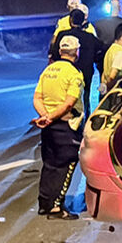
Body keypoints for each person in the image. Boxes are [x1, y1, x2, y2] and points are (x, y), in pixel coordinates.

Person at [33, 36, 85, 220]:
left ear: (60, 51)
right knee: (67, 164)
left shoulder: (47, 71)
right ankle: (56, 207)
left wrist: (45, 117)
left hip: (48, 127)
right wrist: (52, 117)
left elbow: (37, 98)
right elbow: (69, 103)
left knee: (49, 164)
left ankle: (44, 204)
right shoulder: (74, 73)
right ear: (76, 52)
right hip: (66, 125)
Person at [50, 8, 100, 112]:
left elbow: (54, 52)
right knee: (85, 96)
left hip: (65, 71)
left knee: (64, 95)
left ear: (70, 20)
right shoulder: (89, 37)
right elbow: (102, 48)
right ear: (83, 21)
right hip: (86, 73)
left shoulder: (62, 35)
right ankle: (84, 116)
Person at [100, 22, 122, 94]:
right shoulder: (120, 53)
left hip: (111, 93)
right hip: (119, 93)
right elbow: (112, 76)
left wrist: (103, 92)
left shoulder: (110, 50)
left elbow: (104, 74)